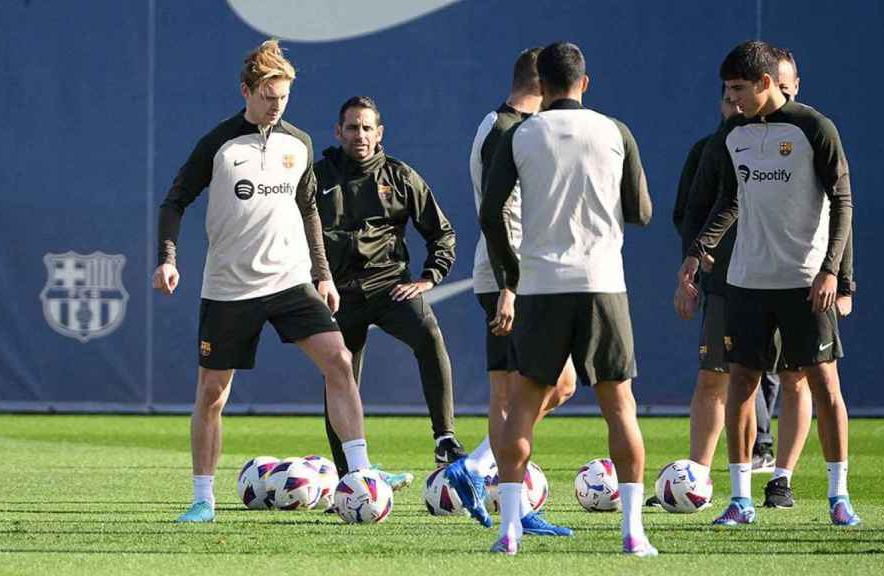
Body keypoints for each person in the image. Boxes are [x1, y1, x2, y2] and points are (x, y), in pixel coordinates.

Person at [153, 40, 373, 523]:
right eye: (269, 97)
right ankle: (203, 498)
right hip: (230, 289)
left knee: (339, 361)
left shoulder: (298, 142)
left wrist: (322, 274)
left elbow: (309, 208)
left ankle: (361, 476)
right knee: (212, 394)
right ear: (246, 91)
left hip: (291, 281)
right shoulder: (219, 144)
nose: (277, 106)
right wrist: (167, 258)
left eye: (285, 98)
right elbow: (174, 202)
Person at [481, 42, 656, 555]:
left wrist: (510, 272)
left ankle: (509, 530)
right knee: (620, 408)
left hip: (539, 287)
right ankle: (633, 532)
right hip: (603, 284)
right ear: (585, 81)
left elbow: (491, 214)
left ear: (542, 82)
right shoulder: (615, 131)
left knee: (522, 406)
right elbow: (642, 211)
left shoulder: (519, 134)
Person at [679, 40, 861, 527]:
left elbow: (843, 202)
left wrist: (833, 272)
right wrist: (696, 254)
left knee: (824, 384)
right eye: (727, 90)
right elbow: (729, 201)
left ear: (764, 83)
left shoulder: (815, 128)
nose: (731, 99)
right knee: (741, 383)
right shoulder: (734, 134)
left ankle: (838, 495)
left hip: (805, 282)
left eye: (739, 88)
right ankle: (739, 500)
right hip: (746, 280)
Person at [445, 47, 576, 536]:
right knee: (558, 382)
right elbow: (500, 214)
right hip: (513, 279)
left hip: (504, 275)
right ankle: (478, 468)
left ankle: (507, 500)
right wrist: (511, 286)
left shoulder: (496, 125)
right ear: (543, 85)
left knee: (509, 394)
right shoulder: (510, 132)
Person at [313, 96, 465, 480]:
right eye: (352, 127)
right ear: (338, 131)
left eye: (367, 128)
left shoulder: (400, 177)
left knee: (429, 334)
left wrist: (429, 277)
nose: (359, 135)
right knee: (339, 375)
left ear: (379, 134)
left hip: (389, 288)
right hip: (337, 293)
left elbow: (442, 233)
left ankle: (445, 438)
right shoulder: (318, 177)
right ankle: (350, 476)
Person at [660, 88, 742, 509]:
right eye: (729, 98)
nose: (736, 106)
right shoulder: (707, 150)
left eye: (742, 95)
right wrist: (689, 274)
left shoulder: (796, 140)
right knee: (715, 378)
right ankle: (697, 478)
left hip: (784, 280)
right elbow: (687, 217)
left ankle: (780, 478)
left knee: (797, 378)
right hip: (725, 283)